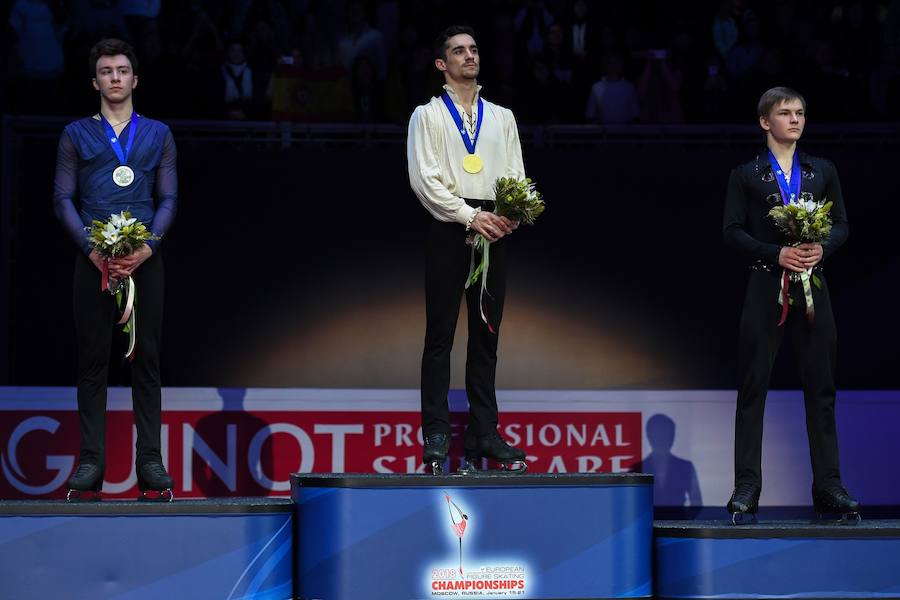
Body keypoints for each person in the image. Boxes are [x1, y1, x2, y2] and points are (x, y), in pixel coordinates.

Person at [723, 86, 859, 520]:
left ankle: (829, 486)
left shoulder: (822, 170)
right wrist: (773, 253)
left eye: (800, 112)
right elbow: (732, 231)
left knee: (821, 389)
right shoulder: (746, 174)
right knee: (753, 388)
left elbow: (841, 224)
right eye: (785, 113)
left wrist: (824, 248)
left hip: (813, 287)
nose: (795, 119)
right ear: (766, 122)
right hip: (766, 287)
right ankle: (747, 485)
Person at [53, 38, 177, 501]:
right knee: (92, 364)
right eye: (106, 71)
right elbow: (62, 198)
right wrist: (92, 249)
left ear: (135, 79)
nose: (115, 78)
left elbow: (169, 199)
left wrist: (147, 247)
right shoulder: (75, 134)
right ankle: (90, 462)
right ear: (95, 82)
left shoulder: (159, 134)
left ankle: (151, 461)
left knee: (146, 361)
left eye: (122, 70)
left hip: (146, 263)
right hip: (93, 263)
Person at [407, 25, 527, 475]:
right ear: (442, 64)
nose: (469, 56)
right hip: (449, 226)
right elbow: (425, 180)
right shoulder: (428, 115)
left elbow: (515, 172)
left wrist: (509, 214)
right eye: (458, 51)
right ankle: (436, 432)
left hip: (494, 229)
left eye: (474, 49)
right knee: (440, 336)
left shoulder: (503, 117)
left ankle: (484, 431)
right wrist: (469, 216)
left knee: (487, 336)